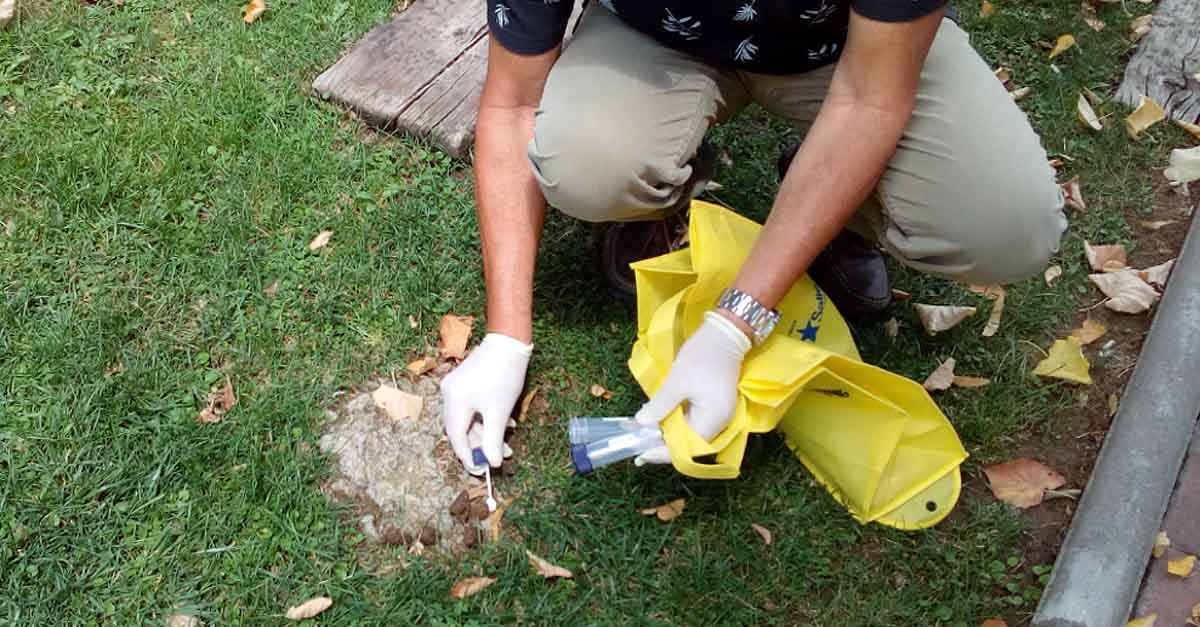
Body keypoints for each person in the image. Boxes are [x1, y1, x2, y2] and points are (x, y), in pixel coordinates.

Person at [440, 0, 1068, 473]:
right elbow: (514, 104)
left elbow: (870, 101)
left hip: (849, 52)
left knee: (1007, 227)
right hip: (654, 36)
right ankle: (661, 195)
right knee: (589, 165)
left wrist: (730, 329)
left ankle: (829, 199)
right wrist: (505, 340)